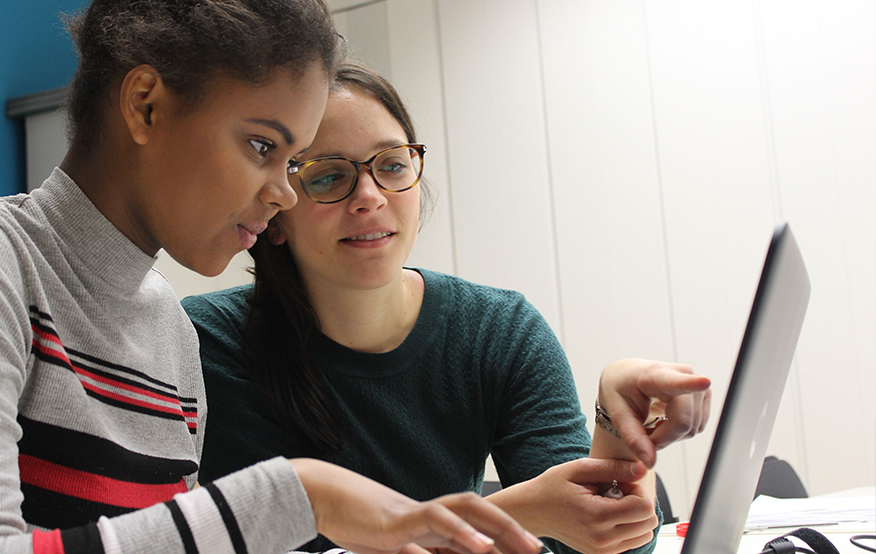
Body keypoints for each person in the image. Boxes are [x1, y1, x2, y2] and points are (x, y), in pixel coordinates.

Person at [0, 0, 547, 554]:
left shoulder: (168, 330)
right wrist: (301, 496)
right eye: (263, 146)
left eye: (292, 163)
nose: (284, 193)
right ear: (144, 104)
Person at [183, 63, 713, 554]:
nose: (369, 196)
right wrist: (518, 513)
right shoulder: (209, 342)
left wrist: (613, 420)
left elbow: (595, 542)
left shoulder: (499, 330)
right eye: (328, 175)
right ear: (275, 211)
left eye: (391, 165)